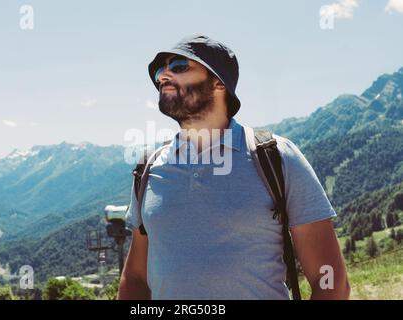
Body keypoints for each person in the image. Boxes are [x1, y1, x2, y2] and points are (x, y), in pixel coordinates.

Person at [117, 35, 350, 300]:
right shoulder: (147, 170)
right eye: (160, 70)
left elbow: (330, 279)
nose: (163, 76)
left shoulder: (276, 158)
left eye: (179, 65)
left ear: (219, 83)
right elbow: (135, 278)